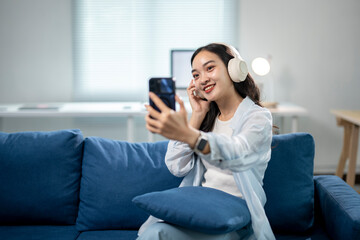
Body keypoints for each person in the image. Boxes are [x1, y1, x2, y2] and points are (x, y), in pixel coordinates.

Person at [138, 43, 275, 240]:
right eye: (195, 75)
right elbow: (176, 166)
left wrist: (189, 135)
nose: (202, 79)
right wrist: (197, 115)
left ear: (233, 69)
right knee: (154, 233)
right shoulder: (208, 120)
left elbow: (237, 153)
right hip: (202, 210)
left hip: (234, 218)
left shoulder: (258, 117)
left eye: (210, 68)